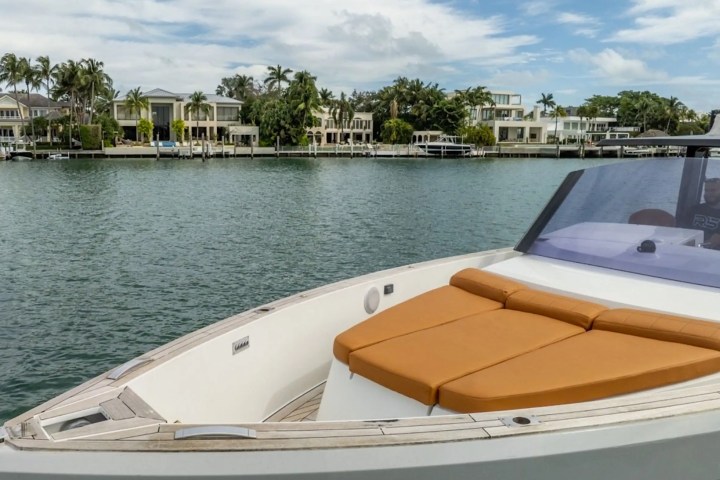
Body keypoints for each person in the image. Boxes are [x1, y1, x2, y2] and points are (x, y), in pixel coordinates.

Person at [685, 177, 720, 248]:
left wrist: (697, 246)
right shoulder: (694, 209)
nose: (709, 193)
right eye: (706, 190)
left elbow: (715, 241)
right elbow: (681, 230)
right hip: (687, 248)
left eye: (713, 190)